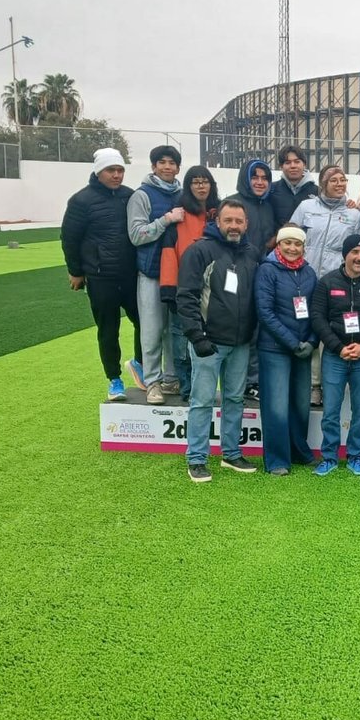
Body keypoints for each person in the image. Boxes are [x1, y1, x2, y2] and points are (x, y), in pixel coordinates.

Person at [175, 198, 260, 482]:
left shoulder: (252, 253)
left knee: (235, 399)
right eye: (228, 220)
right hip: (208, 343)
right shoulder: (200, 251)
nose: (234, 226)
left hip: (241, 343)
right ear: (217, 221)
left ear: (246, 224)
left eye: (239, 221)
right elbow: (186, 297)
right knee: (202, 401)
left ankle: (231, 453)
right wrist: (196, 336)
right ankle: (197, 458)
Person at [60, 147, 140, 402]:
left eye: (120, 170)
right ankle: (114, 379)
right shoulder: (80, 201)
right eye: (110, 170)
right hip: (100, 277)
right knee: (108, 329)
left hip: (130, 274)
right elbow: (70, 239)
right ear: (99, 172)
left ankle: (139, 364)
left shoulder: (131, 196)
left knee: (145, 323)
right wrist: (75, 271)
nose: (116, 175)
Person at [309, 234, 360, 476]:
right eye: (354, 252)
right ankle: (329, 457)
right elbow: (317, 318)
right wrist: (338, 347)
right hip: (335, 356)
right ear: (345, 255)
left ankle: (355, 456)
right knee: (331, 411)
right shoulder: (327, 282)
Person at [291, 164, 360, 407]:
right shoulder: (306, 207)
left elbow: (356, 248)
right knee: (306, 329)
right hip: (305, 277)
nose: (340, 184)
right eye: (334, 180)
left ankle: (324, 386)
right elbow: (291, 236)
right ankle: (309, 385)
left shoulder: (354, 214)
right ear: (323, 183)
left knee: (328, 332)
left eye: (343, 179)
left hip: (334, 280)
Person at [256, 225, 319, 475]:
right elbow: (265, 312)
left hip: (303, 348)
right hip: (275, 348)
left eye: (297, 244)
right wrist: (292, 343)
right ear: (278, 245)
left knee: (301, 404)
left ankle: (299, 451)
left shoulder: (309, 272)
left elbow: (316, 311)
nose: (292, 248)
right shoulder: (267, 270)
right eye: (287, 243)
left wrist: (312, 341)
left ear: (303, 247)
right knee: (277, 406)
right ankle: (277, 460)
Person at [127, 144, 184, 403]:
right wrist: (166, 220)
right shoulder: (142, 195)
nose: (167, 167)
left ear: (178, 168)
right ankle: (152, 382)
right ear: (153, 166)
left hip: (178, 274)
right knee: (151, 330)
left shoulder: (183, 194)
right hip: (151, 273)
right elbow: (136, 235)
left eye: (171, 163)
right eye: (162, 162)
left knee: (174, 330)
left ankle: (171, 379)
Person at [159, 165, 220, 402]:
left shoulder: (219, 214)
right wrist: (170, 290)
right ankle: (187, 388)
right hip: (185, 290)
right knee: (182, 340)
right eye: (195, 182)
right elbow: (169, 253)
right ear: (188, 186)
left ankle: (205, 390)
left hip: (215, 293)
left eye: (205, 181)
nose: (201, 186)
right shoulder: (179, 216)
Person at [233, 159, 278, 402]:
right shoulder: (234, 203)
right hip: (238, 274)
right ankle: (242, 382)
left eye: (264, 178)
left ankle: (255, 381)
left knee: (261, 329)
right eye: (255, 177)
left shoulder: (269, 206)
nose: (260, 182)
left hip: (264, 275)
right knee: (242, 330)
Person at [268, 145, 318, 229]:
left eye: (297, 162)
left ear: (304, 164)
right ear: (281, 166)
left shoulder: (317, 192)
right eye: (287, 163)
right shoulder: (271, 190)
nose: (293, 166)